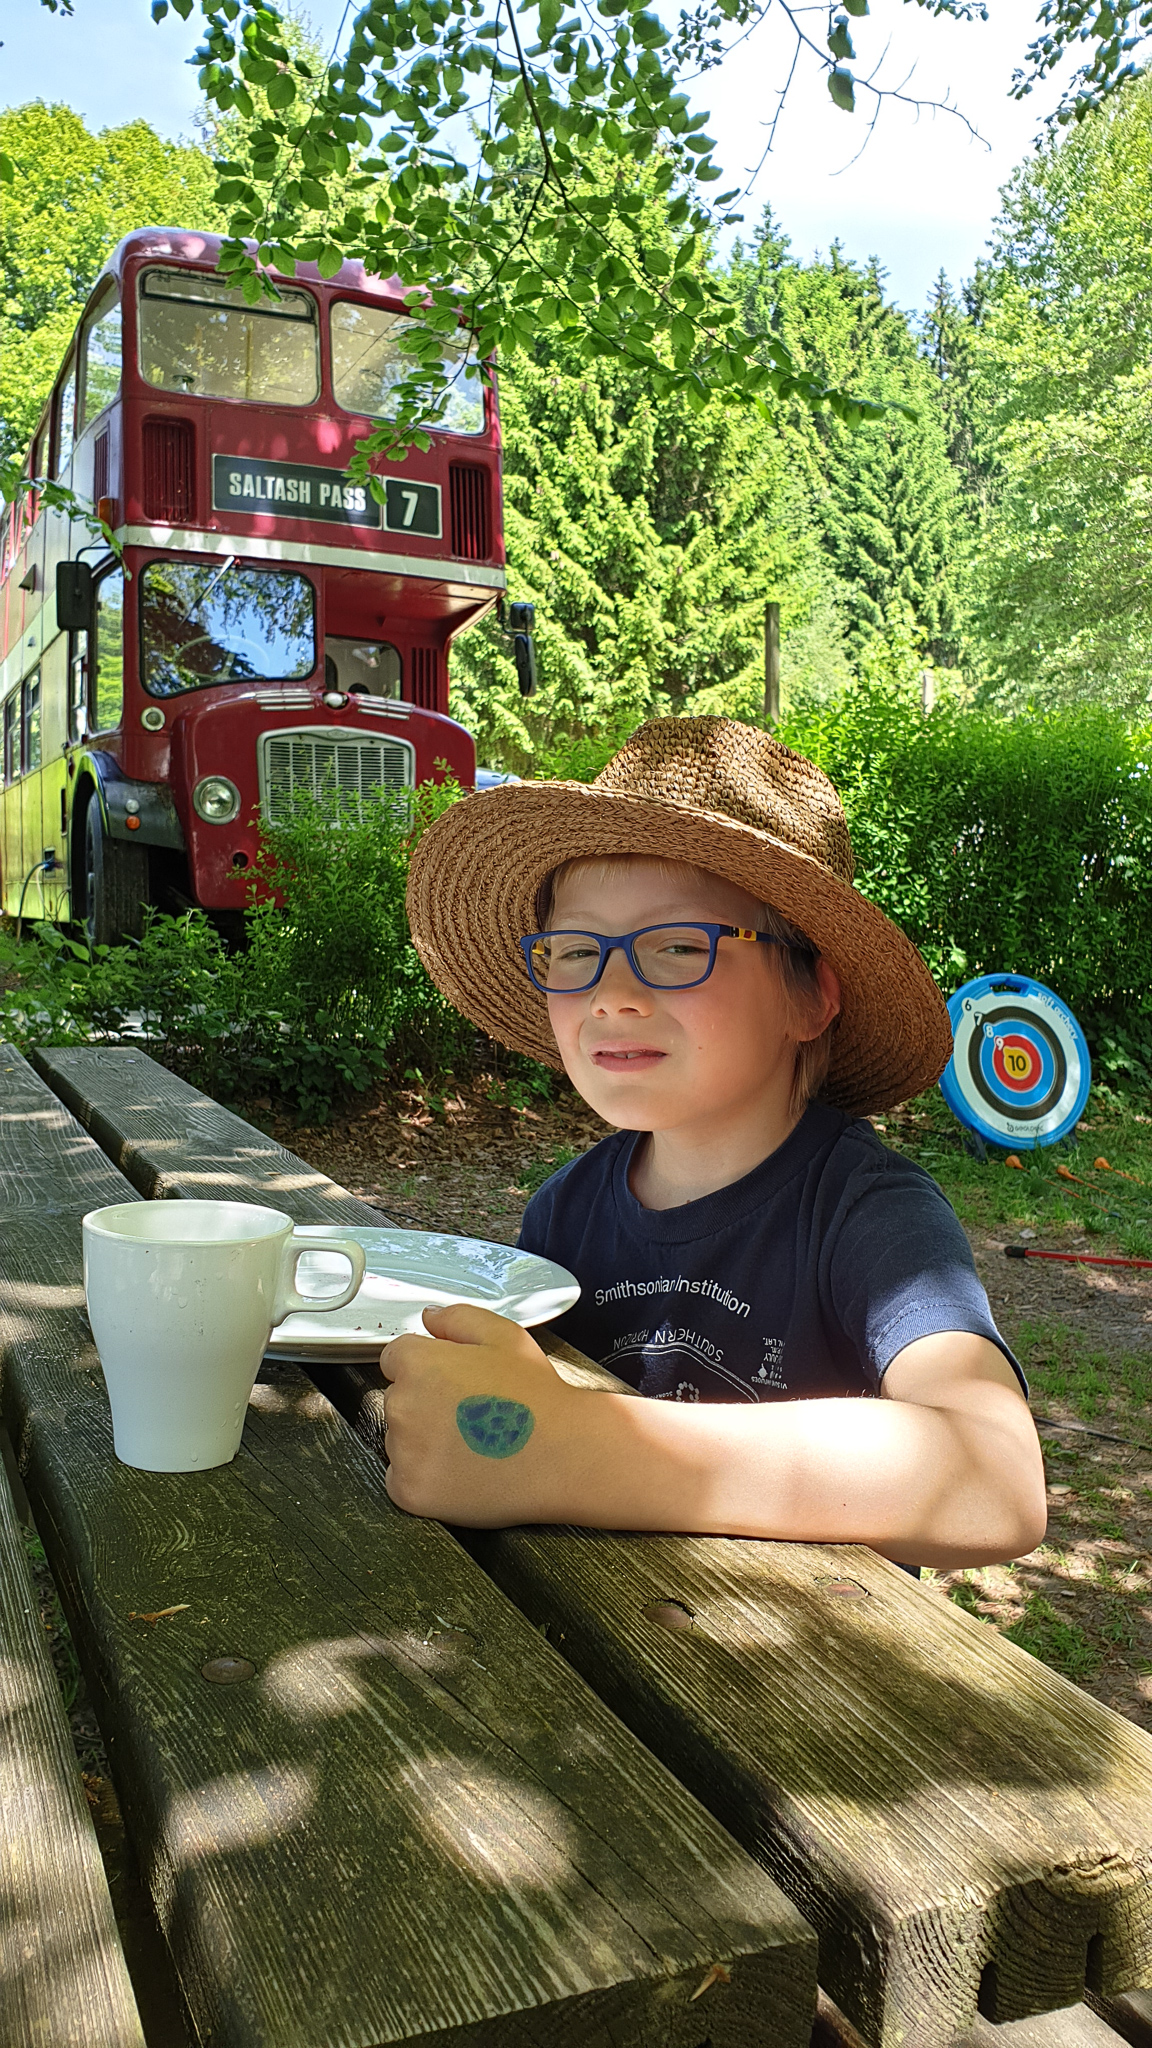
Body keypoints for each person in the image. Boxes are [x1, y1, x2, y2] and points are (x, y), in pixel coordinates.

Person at [382, 716, 1047, 1569]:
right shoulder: (564, 1212)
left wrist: (571, 1449)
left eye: (676, 946)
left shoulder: (868, 1214)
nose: (610, 993)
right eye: (576, 951)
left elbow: (995, 1481)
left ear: (810, 999)